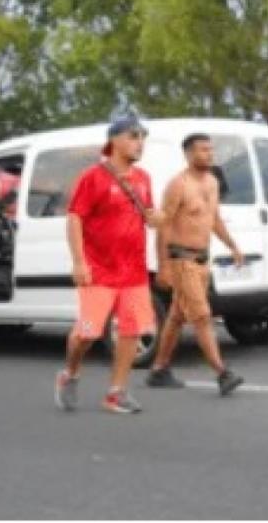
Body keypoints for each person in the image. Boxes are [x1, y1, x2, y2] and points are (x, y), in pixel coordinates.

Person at [53, 116, 164, 415]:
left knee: (132, 331)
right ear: (114, 140)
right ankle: (70, 373)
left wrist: (156, 219)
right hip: (99, 270)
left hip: (134, 272)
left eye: (143, 137)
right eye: (133, 136)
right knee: (88, 332)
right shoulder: (93, 177)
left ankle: (116, 392)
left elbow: (149, 215)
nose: (140, 143)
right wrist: (79, 262)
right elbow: (75, 218)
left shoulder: (143, 178)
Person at [146, 133, 245, 397]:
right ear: (189, 154)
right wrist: (163, 265)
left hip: (202, 260)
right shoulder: (178, 185)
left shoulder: (212, 182)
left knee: (177, 316)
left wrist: (233, 246)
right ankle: (222, 373)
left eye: (211, 150)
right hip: (181, 260)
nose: (209, 154)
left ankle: (159, 369)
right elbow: (163, 225)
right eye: (203, 150)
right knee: (201, 316)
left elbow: (214, 220)